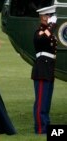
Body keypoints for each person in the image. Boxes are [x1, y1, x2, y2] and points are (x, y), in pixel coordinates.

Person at [31, 5, 57, 134]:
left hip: (48, 69)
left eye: (51, 16)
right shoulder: (39, 32)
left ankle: (47, 127)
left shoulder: (49, 32)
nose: (50, 18)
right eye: (48, 15)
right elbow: (43, 38)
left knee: (46, 101)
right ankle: (41, 129)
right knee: (41, 102)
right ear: (42, 17)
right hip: (41, 69)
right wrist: (51, 26)